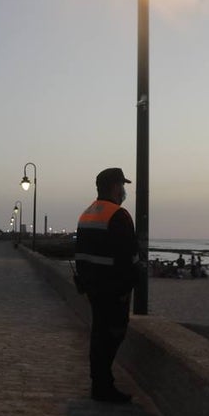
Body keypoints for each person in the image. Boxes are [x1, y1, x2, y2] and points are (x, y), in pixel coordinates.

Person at [75, 167, 141, 403]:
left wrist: (85, 283)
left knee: (99, 334)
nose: (123, 190)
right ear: (115, 187)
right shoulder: (119, 215)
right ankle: (103, 386)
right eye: (122, 185)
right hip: (114, 291)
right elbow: (129, 258)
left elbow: (80, 255)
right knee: (112, 336)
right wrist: (126, 288)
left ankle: (100, 382)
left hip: (93, 289)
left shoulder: (86, 214)